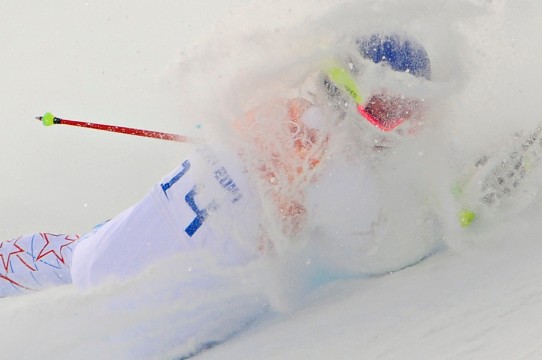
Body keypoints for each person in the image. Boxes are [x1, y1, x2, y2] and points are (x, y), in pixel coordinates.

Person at [1, 31, 440, 352]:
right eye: (390, 116)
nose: (399, 132)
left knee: (61, 255)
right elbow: (379, 253)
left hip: (99, 253)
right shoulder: (346, 178)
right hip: (157, 333)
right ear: (358, 103)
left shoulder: (267, 108)